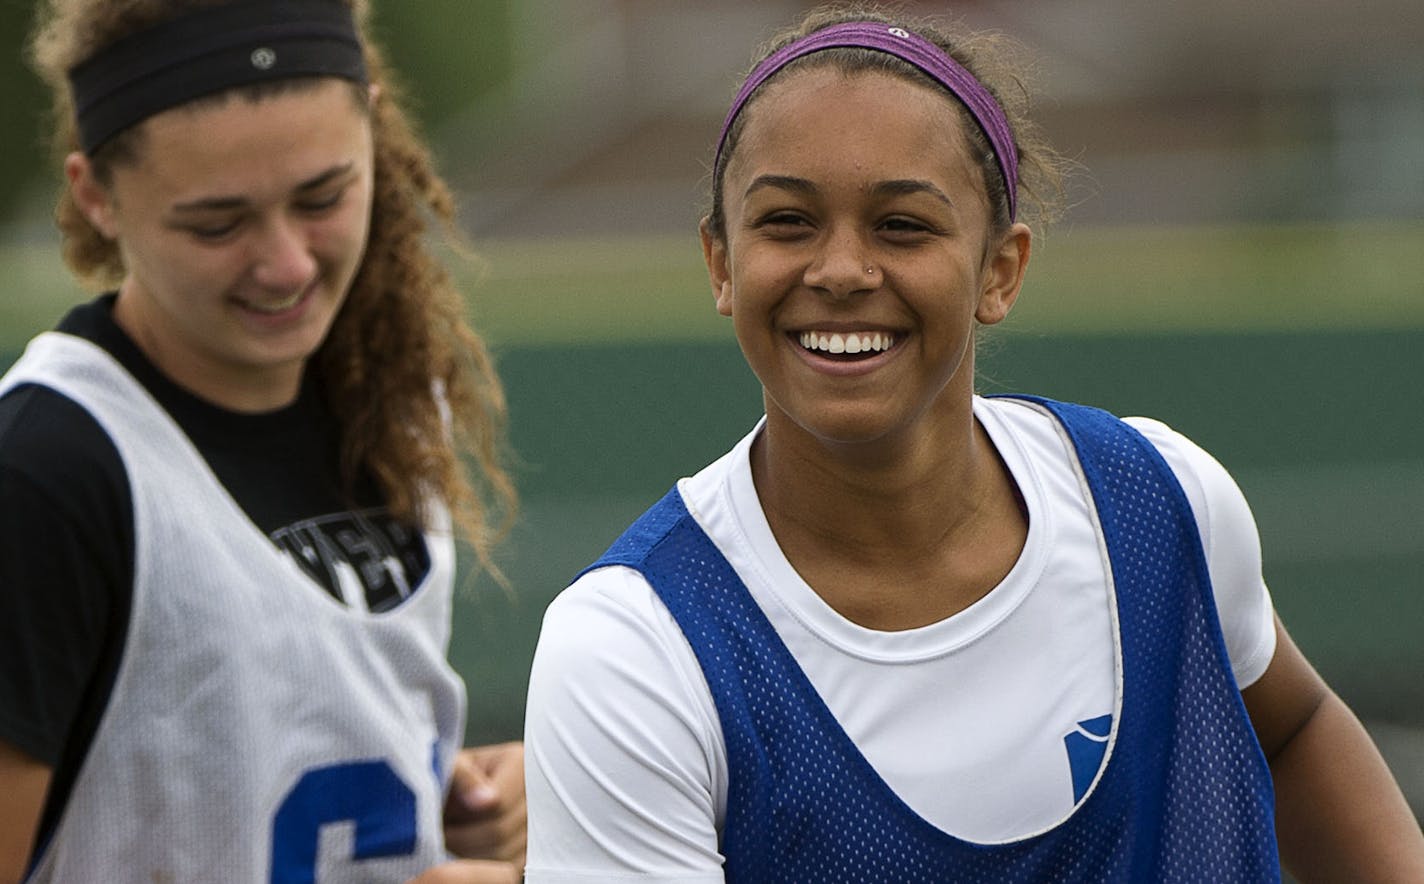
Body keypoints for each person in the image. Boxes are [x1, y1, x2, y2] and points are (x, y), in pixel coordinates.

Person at [521, 4, 1424, 881]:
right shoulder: (634, 650)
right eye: (787, 222)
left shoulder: (1160, 502)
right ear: (721, 264)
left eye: (902, 225)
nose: (839, 271)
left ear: (1001, 270)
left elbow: (1295, 727)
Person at [0, 0, 528, 881]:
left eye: (324, 196)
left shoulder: (384, 400)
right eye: (216, 223)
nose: (285, 264)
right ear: (97, 197)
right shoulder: (46, 472)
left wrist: (444, 806)